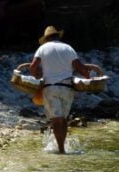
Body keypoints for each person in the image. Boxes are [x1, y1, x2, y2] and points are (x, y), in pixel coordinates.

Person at [30, 26, 89, 154]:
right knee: (63, 119)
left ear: (46, 39)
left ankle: (61, 150)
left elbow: (33, 66)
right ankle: (62, 147)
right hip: (67, 87)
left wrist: (36, 76)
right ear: (58, 36)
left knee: (56, 119)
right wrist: (88, 77)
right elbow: (79, 66)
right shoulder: (68, 48)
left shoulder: (42, 48)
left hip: (50, 87)